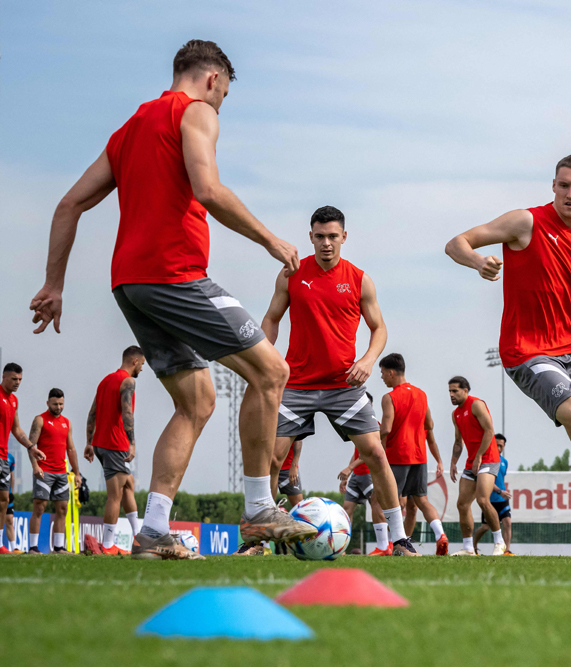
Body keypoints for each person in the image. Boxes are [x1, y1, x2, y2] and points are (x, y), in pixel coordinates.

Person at [30, 40, 312, 560]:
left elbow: (69, 203)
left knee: (198, 400)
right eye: (223, 94)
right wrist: (270, 238)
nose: (220, 105)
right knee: (272, 372)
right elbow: (207, 189)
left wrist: (54, 284)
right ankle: (257, 509)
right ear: (211, 80)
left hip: (130, 286)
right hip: (175, 277)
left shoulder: (131, 128)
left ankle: (154, 530)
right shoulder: (196, 113)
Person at [446, 154, 571, 560]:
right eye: (564, 185)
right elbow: (456, 243)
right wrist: (479, 261)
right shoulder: (526, 222)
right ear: (553, 185)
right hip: (527, 351)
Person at [261, 205, 417, 556]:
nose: (327, 243)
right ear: (310, 237)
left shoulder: (360, 279)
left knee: (376, 453)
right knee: (271, 458)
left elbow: (379, 328)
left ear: (344, 237)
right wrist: (265, 359)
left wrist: (367, 359)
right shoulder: (291, 274)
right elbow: (271, 319)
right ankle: (259, 539)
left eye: (333, 236)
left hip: (343, 386)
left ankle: (399, 539)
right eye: (320, 237)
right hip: (296, 384)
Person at [378, 354, 448, 555]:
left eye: (383, 373)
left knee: (387, 500)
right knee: (421, 501)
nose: (382, 377)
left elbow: (386, 429)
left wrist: (380, 448)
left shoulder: (389, 397)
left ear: (391, 372)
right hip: (419, 455)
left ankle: (389, 545)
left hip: (398, 455)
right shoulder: (421, 394)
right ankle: (440, 535)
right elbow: (430, 425)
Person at [84, 347, 145, 555]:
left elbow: (92, 412)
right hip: (115, 444)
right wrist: (132, 442)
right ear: (135, 361)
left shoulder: (105, 381)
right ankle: (108, 545)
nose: (142, 369)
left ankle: (139, 536)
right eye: (142, 365)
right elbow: (127, 413)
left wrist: (89, 442)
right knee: (115, 495)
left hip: (101, 444)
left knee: (129, 484)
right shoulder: (128, 381)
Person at [448, 377, 505, 557]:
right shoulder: (455, 414)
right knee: (462, 504)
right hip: (472, 461)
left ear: (466, 390)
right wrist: (453, 462)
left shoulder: (476, 404)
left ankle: (499, 543)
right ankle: (468, 548)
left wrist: (479, 455)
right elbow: (458, 442)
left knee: (482, 500)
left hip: (488, 458)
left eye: (455, 391)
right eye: (449, 391)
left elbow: (489, 431)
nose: (451, 395)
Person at [1, 363, 48, 554]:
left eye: (20, 379)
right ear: (3, 377)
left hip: (4, 457)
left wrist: (31, 447)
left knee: (4, 500)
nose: (17, 383)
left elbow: (17, 429)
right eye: (14, 379)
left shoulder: (14, 401)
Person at [27, 388, 81, 555]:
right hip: (44, 471)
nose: (58, 407)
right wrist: (35, 467)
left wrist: (77, 473)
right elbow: (31, 446)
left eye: (61, 404)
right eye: (55, 404)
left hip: (61, 472)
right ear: (48, 403)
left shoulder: (67, 423)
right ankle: (33, 548)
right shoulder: (40, 420)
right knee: (40, 507)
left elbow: (71, 449)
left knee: (63, 508)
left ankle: (58, 548)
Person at [339, 444, 392, 556]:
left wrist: (349, 468)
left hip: (369, 474)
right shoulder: (357, 428)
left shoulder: (372, 427)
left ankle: (387, 544)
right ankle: (341, 547)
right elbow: (356, 454)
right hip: (356, 476)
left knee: (378, 507)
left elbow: (368, 453)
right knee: (346, 510)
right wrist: (347, 476)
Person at [473, 433, 513, 555]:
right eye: (497, 445)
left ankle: (506, 550)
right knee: (485, 527)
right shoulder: (487, 461)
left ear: (504, 447)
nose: (499, 448)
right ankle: (472, 546)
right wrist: (499, 491)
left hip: (502, 499)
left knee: (507, 522)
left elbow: (500, 479)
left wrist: (502, 492)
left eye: (501, 446)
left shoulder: (504, 462)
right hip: (489, 499)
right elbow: (487, 482)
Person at [277, 440, 303, 508]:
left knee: (298, 507)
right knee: (263, 505)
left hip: (288, 468)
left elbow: (299, 440)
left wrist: (294, 466)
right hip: (267, 468)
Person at [2, 450, 18, 554]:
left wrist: (11, 490)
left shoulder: (11, 457)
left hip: (7, 493)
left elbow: (11, 476)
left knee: (9, 519)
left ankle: (14, 548)